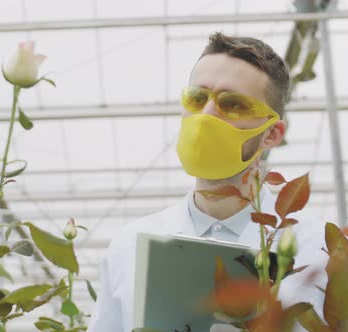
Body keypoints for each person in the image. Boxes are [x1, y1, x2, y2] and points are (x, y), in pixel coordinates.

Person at [87, 32, 328, 332]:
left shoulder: (319, 251)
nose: (207, 114)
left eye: (233, 104)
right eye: (197, 98)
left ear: (272, 134)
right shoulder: (130, 246)